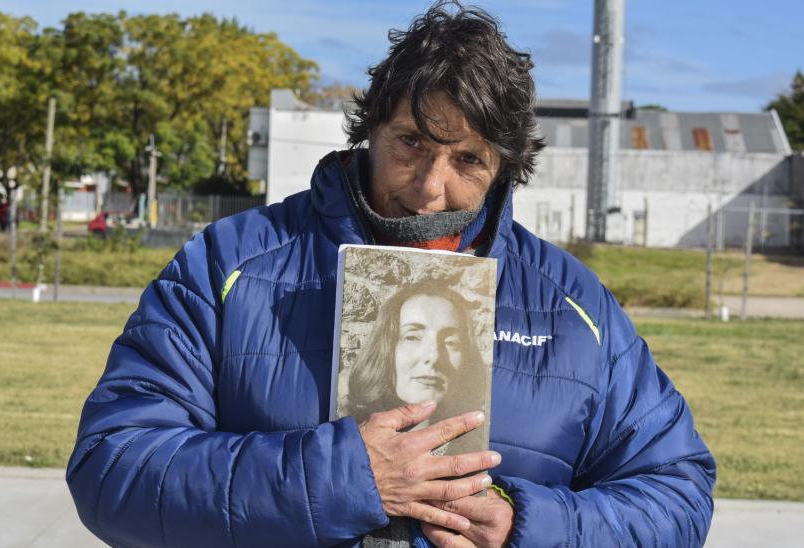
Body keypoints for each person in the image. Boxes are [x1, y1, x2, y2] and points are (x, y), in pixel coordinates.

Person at [68, 2, 715, 547]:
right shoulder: (230, 265)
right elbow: (111, 468)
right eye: (411, 143)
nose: (431, 188)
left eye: (467, 158)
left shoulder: (572, 306)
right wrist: (341, 478)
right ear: (371, 128)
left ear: (505, 168)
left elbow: (678, 494)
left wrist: (527, 523)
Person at [344, 280, 489, 457]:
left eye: (451, 342)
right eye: (412, 337)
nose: (434, 356)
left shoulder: (475, 449)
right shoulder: (344, 439)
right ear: (386, 349)